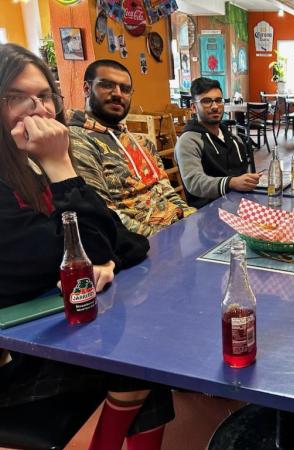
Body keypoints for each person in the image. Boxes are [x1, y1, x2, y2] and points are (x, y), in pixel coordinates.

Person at [0, 44, 174, 450]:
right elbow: (81, 248)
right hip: (15, 347)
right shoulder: (44, 166)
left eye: (44, 96)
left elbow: (125, 241)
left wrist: (105, 258)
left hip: (50, 324)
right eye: (15, 98)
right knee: (142, 361)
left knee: (148, 358)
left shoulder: (30, 167)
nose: (38, 111)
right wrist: (62, 166)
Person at [68, 59, 195, 236]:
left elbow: (166, 190)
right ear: (87, 89)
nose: (118, 94)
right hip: (141, 246)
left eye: (125, 89)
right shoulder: (77, 141)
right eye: (107, 85)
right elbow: (106, 214)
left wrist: (192, 218)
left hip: (175, 232)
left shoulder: (141, 142)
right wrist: (162, 239)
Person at [174, 77, 260, 208]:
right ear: (193, 107)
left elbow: (243, 175)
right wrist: (231, 183)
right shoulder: (188, 141)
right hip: (207, 215)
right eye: (207, 101)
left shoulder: (234, 139)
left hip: (240, 206)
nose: (215, 107)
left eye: (219, 100)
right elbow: (194, 183)